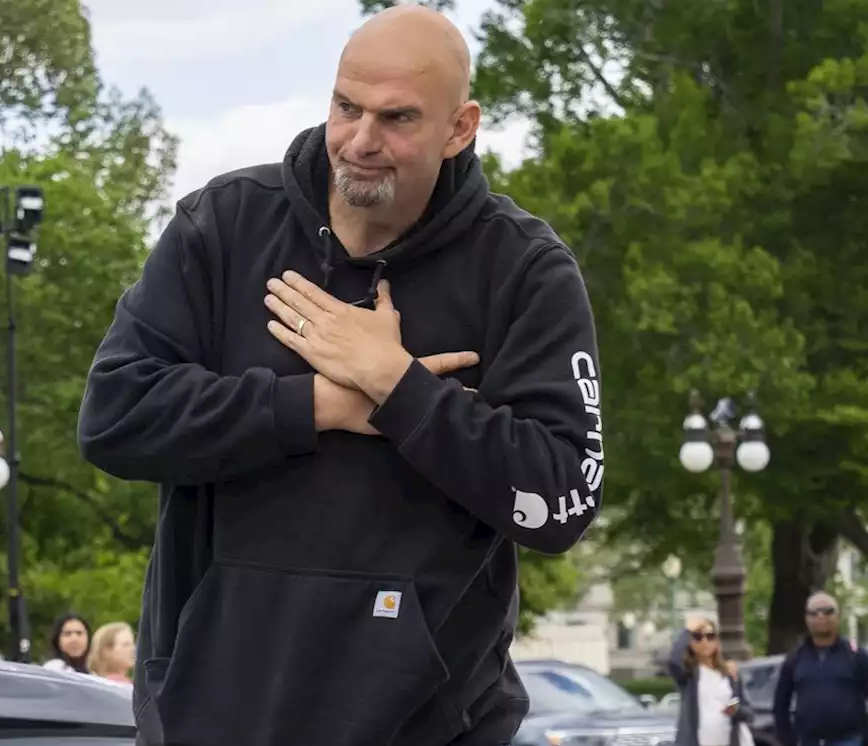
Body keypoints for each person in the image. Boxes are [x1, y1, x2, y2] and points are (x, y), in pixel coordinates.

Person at [78, 5, 604, 745]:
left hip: (430, 726)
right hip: (215, 716)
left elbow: (563, 502)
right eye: (345, 107)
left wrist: (399, 389)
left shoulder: (523, 271)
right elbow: (113, 418)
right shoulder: (223, 226)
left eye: (397, 118)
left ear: (461, 128)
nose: (360, 141)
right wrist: (316, 404)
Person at [773, 592, 868, 746]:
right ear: (806, 618)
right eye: (814, 612)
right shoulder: (795, 658)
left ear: (838, 616)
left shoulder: (855, 655)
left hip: (850, 740)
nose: (820, 616)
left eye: (827, 611)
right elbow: (780, 704)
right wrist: (787, 739)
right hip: (808, 741)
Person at [667, 617, 754, 746]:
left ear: (717, 640)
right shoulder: (689, 674)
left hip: (726, 739)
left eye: (710, 636)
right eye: (697, 637)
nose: (704, 641)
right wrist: (687, 630)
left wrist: (732, 709)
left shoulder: (728, 673)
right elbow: (673, 660)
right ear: (690, 642)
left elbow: (745, 708)